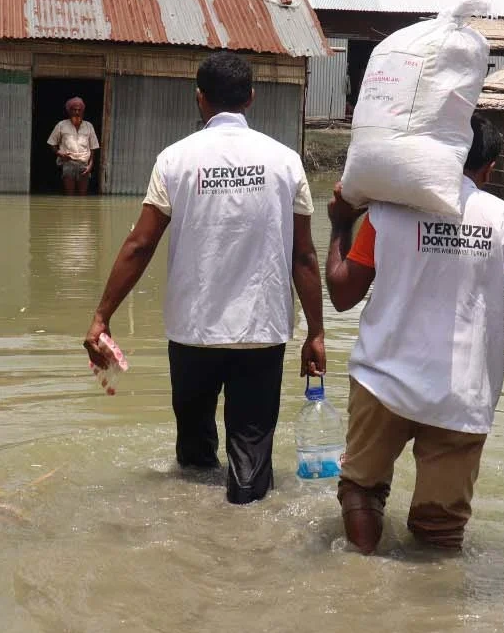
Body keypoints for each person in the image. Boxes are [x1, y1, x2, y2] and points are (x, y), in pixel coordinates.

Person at [85, 52, 326, 504]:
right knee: (251, 464)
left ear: (200, 99)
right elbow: (305, 257)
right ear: (251, 98)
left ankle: (191, 533)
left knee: (194, 456)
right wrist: (316, 332)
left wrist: (102, 316)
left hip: (193, 335)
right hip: (261, 335)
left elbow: (139, 245)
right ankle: (245, 542)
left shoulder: (175, 160)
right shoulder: (286, 162)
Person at [324, 114, 504, 552]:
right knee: (441, 527)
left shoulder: (386, 214)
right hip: (462, 396)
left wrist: (340, 224)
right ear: (488, 169)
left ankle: (360, 576)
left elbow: (341, 293)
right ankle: (432, 610)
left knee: (361, 488)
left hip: (382, 383)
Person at [47, 97, 100, 195]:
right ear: (69, 111)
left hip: (84, 164)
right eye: (74, 109)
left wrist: (90, 165)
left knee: (82, 196)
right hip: (68, 163)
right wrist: (60, 154)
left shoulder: (89, 126)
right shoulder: (61, 125)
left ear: (83, 111)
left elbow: (93, 148)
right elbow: (52, 143)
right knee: (69, 196)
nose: (77, 112)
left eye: (79, 110)